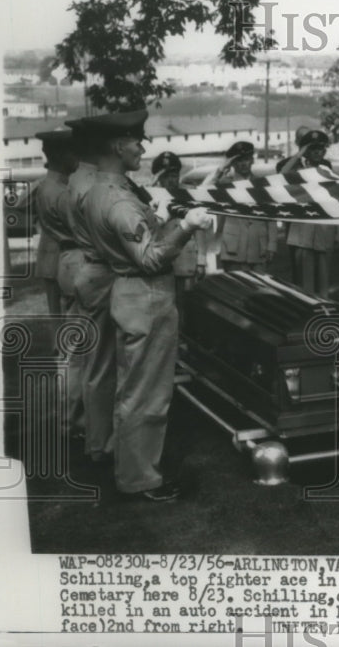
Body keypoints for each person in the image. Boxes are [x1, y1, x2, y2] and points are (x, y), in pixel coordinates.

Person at [80, 110, 213, 501]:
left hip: (131, 290)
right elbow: (151, 258)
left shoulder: (102, 188)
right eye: (136, 141)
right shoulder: (118, 200)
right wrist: (187, 226)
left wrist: (173, 221)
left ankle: (128, 465)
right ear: (117, 145)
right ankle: (140, 479)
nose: (143, 146)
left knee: (131, 386)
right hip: (146, 292)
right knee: (147, 393)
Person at [60, 117, 115, 460]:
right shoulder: (92, 183)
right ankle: (100, 442)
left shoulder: (77, 178)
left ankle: (87, 431)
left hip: (86, 270)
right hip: (101, 273)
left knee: (90, 360)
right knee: (103, 364)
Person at [276, 129, 339, 297]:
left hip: (324, 230)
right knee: (303, 282)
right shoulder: (297, 169)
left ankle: (324, 312)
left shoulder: (327, 170)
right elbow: (282, 174)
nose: (317, 153)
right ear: (306, 150)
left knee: (323, 280)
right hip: (302, 231)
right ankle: (307, 314)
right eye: (313, 149)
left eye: (321, 149)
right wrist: (299, 154)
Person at [206, 141, 277, 273]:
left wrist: (272, 244)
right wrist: (222, 169)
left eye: (247, 159)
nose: (243, 164)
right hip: (233, 248)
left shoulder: (262, 184)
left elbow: (271, 215)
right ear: (233, 163)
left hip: (258, 248)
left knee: (259, 291)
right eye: (239, 160)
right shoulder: (225, 185)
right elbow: (205, 190)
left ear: (252, 160)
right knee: (235, 290)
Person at [151, 151, 206, 318]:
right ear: (159, 177)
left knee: (185, 303)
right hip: (161, 259)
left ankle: (182, 339)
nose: (172, 180)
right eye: (167, 176)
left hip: (185, 259)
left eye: (175, 175)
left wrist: (202, 259)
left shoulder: (187, 196)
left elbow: (199, 229)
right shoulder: (151, 197)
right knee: (163, 305)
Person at [33, 130, 79, 316]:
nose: (77, 157)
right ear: (60, 156)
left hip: (50, 257)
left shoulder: (45, 185)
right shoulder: (59, 191)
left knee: (58, 321)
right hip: (66, 260)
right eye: (73, 152)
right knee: (71, 320)